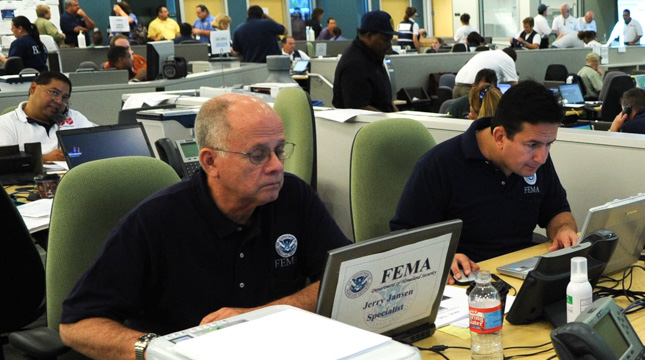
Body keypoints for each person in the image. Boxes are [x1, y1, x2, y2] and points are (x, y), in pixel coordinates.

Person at [57, 92, 352, 359]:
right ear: (210, 162)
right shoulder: (156, 221)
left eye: (279, 150)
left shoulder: (293, 196)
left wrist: (257, 317)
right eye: (258, 154)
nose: (276, 166)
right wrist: (157, 351)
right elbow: (77, 325)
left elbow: (347, 277)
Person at [390, 81, 578, 283]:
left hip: (518, 277)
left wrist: (563, 230)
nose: (542, 157)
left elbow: (557, 210)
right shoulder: (439, 165)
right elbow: (404, 238)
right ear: (499, 136)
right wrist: (439, 257)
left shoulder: (535, 162)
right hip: (465, 284)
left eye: (548, 144)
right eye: (532, 145)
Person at [0, 72, 94, 161]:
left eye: (64, 97)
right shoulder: (6, 124)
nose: (59, 101)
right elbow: (5, 162)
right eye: (54, 92)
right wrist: (44, 158)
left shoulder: (74, 117)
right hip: (29, 177)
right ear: (33, 88)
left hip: (74, 176)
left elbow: (99, 145)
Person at [333, 11, 399, 112]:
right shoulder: (354, 65)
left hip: (383, 122)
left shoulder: (372, 57)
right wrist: (391, 122)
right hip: (367, 126)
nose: (389, 45)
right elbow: (358, 109)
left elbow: (385, 101)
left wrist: (399, 117)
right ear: (368, 36)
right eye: (385, 40)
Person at [453, 48, 519, 98]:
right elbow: (514, 85)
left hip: (456, 87)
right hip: (473, 89)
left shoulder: (487, 53)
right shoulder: (508, 59)